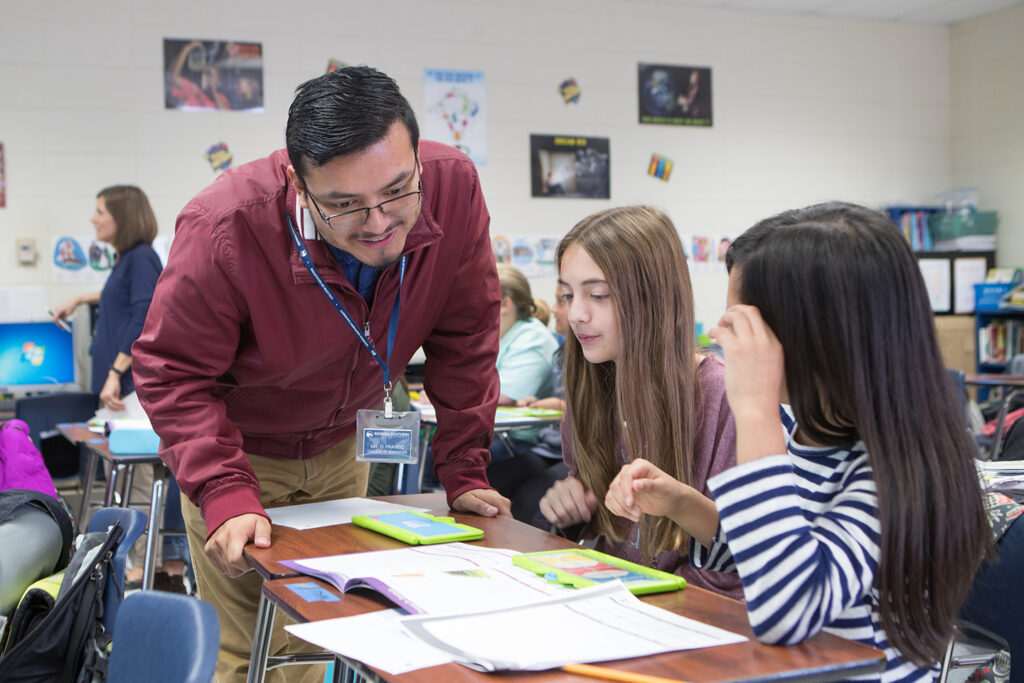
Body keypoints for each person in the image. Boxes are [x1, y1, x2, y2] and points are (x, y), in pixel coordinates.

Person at [132, 65, 508, 683]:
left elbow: (465, 338)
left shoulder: (455, 186)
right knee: (245, 650)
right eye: (344, 205)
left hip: (341, 450)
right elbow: (172, 372)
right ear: (298, 185)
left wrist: (465, 468)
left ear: (416, 153)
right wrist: (224, 490)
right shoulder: (225, 225)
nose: (380, 222)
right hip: (241, 451)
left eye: (397, 190)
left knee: (323, 638)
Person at [607, 202, 992, 681]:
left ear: (815, 335)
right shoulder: (799, 427)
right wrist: (682, 502)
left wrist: (754, 411)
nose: (724, 342)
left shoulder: (897, 473)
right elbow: (769, 551)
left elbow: (788, 606)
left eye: (743, 328)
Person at [538, 205, 742, 599]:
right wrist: (570, 509)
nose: (576, 314)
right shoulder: (592, 384)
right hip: (614, 600)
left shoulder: (721, 394)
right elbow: (604, 534)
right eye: (567, 295)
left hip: (688, 616)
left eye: (597, 294)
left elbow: (740, 561)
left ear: (652, 297)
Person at [53, 186, 190, 589]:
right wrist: (80, 297)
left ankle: (140, 566)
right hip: (123, 392)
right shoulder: (130, 260)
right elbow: (123, 297)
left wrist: (115, 371)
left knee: (142, 482)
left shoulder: (142, 257)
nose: (93, 219)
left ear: (121, 216)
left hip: (131, 391)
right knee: (130, 483)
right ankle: (135, 561)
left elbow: (144, 313)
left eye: (99, 212)